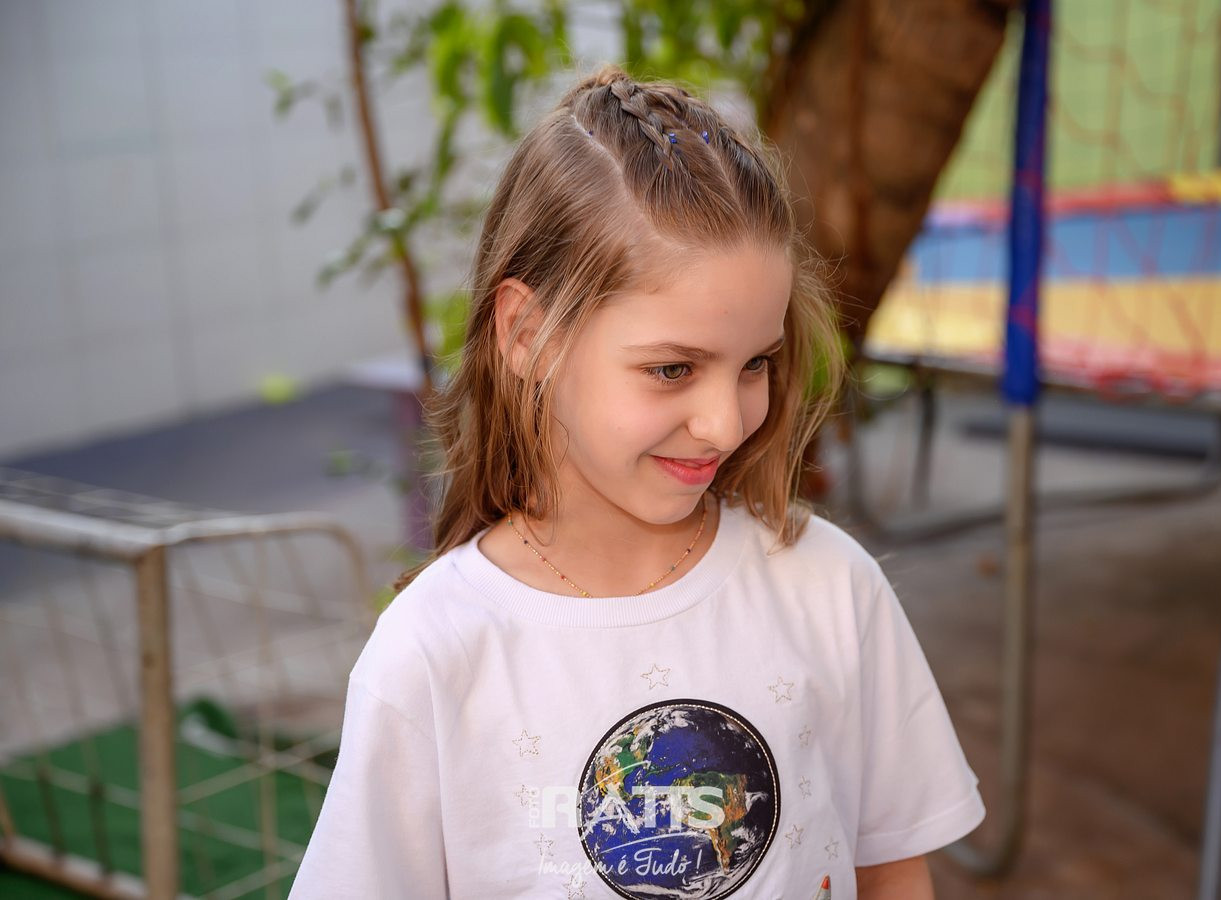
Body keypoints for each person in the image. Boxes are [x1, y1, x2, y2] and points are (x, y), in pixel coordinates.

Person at [291, 64, 984, 900]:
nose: (724, 424)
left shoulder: (830, 586)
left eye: (755, 364)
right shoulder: (432, 655)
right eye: (671, 369)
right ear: (527, 334)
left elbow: (893, 870)